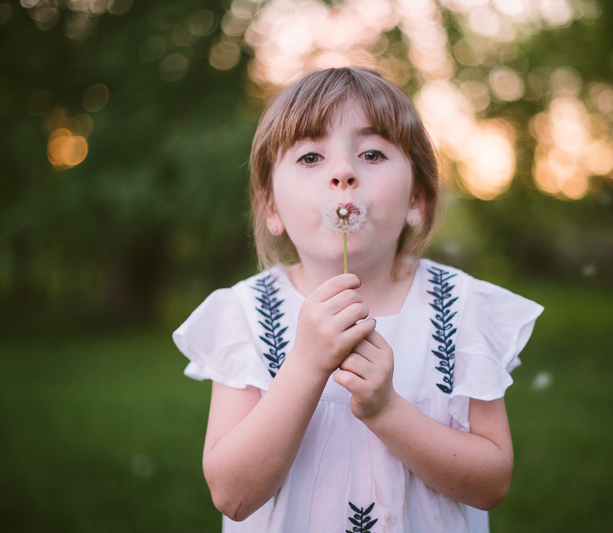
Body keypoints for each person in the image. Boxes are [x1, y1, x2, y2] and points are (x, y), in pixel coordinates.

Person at [172, 67, 543, 533]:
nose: (343, 172)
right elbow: (233, 495)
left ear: (417, 201)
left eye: (371, 153)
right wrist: (305, 363)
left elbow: (491, 484)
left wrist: (387, 409)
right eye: (310, 157)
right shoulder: (245, 314)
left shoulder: (461, 307)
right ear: (271, 208)